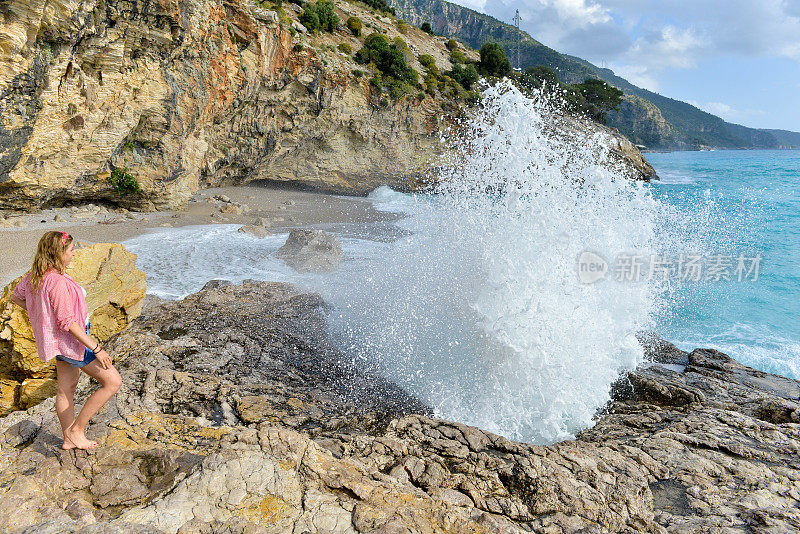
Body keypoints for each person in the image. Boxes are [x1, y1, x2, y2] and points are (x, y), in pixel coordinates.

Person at [9, 231, 122, 450]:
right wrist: (96, 348)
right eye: (70, 251)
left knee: (65, 389)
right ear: (58, 253)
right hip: (74, 341)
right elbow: (67, 322)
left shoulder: (36, 274)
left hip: (57, 341)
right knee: (112, 382)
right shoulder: (57, 282)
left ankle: (69, 440)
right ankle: (76, 430)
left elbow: (16, 296)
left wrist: (42, 316)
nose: (73, 255)